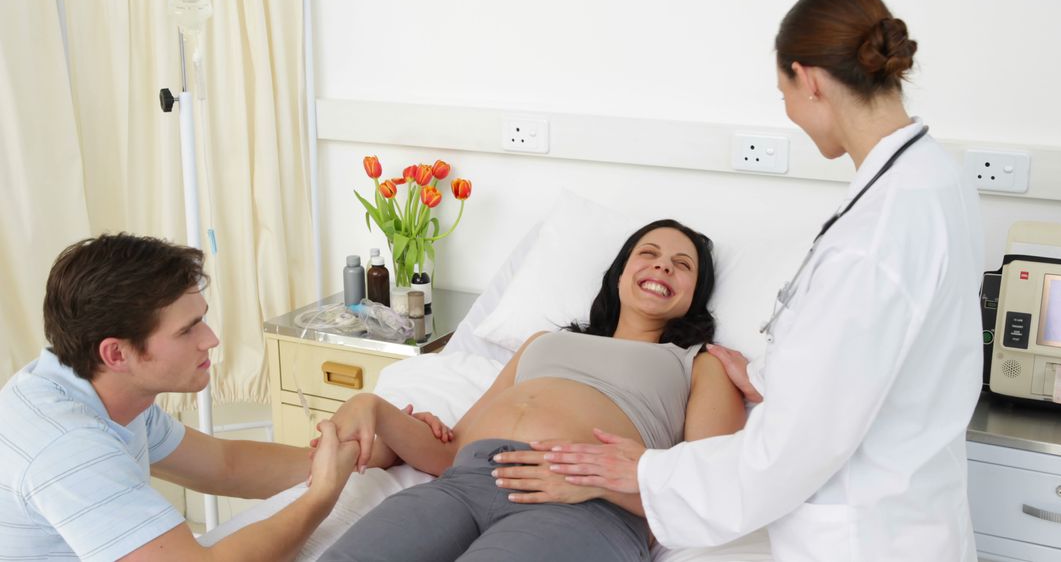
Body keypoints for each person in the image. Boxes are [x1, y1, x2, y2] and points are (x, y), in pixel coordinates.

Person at [539, 0, 985, 560]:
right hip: (915, 512)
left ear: (809, 80)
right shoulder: (935, 179)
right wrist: (773, 378)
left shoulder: (876, 236)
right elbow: (872, 361)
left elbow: (794, 449)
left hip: (864, 534)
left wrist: (652, 473)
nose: (790, 113)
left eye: (784, 95)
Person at [318, 219, 746, 561]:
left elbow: (705, 485)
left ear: (695, 294)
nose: (663, 266)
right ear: (619, 275)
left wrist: (603, 487)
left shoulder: (699, 363)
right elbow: (449, 452)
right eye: (648, 254)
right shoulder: (543, 342)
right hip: (462, 485)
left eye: (682, 264)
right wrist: (372, 406)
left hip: (584, 505)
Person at [0, 233, 361, 560]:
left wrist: (351, 455)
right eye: (187, 331)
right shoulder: (70, 446)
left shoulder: (105, 391)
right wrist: (322, 495)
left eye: (201, 319)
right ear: (116, 354)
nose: (211, 340)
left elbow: (224, 465)